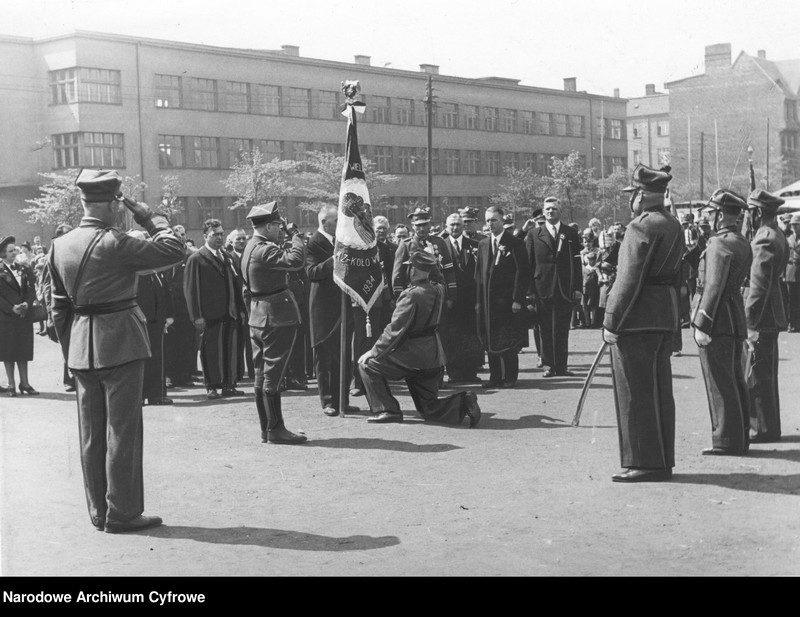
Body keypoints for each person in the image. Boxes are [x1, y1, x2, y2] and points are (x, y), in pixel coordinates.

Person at [48, 168, 184, 532]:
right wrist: (145, 213)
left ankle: (99, 511)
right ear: (113, 203)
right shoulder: (116, 242)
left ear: (82, 201)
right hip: (121, 344)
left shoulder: (61, 244)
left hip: (80, 347)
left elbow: (58, 306)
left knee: (91, 434)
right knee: (122, 431)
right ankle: (122, 513)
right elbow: (175, 248)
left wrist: (72, 348)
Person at [602, 163, 683, 483]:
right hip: (663, 315)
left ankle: (643, 462)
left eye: (633, 193)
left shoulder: (641, 226)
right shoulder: (672, 223)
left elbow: (628, 279)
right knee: (659, 391)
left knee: (634, 393)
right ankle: (661, 460)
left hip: (636, 320)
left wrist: (611, 319)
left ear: (641, 195)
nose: (630, 200)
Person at [357, 251, 482, 427]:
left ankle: (388, 410)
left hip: (410, 357)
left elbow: (395, 329)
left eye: (409, 267)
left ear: (413, 270)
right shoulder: (439, 289)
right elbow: (438, 278)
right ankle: (464, 401)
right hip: (433, 356)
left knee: (367, 366)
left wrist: (374, 351)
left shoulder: (411, 295)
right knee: (429, 408)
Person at [689, 190, 752, 455]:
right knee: (735, 379)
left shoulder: (719, 244)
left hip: (717, 319)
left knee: (720, 380)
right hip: (733, 315)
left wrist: (702, 322)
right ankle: (738, 437)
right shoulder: (740, 241)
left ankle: (726, 440)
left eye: (711, 213)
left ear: (721, 215)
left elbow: (712, 286)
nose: (707, 216)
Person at [240, 202, 307, 444]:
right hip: (275, 318)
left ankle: (267, 429)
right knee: (272, 375)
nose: (281, 229)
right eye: (278, 225)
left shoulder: (251, 247)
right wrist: (296, 236)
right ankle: (276, 428)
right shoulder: (263, 249)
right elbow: (296, 261)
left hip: (259, 317)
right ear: (268, 226)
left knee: (261, 374)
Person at [184, 219, 247, 400]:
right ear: (205, 236)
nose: (219, 237)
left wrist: (241, 309)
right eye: (215, 234)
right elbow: (191, 289)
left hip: (229, 312)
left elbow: (235, 285)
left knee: (230, 349)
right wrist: (196, 316)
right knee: (210, 351)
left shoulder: (226, 257)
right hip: (209, 315)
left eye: (221, 234)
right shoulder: (197, 258)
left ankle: (229, 384)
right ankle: (211, 385)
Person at [745, 189, 790, 443]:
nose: (748, 217)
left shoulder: (764, 238)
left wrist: (750, 321)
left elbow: (759, 285)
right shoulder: (776, 234)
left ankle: (762, 428)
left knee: (759, 373)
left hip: (763, 314)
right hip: (772, 311)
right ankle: (769, 426)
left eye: (751, 212)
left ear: (759, 212)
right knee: (766, 373)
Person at [306, 204, 357, 417]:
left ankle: (342, 400)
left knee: (343, 355)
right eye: (336, 221)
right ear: (324, 222)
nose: (339, 224)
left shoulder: (340, 242)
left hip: (342, 306)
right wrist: (333, 259)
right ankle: (327, 401)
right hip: (323, 310)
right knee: (324, 357)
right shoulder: (313, 243)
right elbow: (311, 272)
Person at [524, 197, 582, 377]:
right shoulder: (534, 234)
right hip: (542, 288)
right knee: (545, 329)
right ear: (543, 212)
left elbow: (577, 263)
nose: (550, 212)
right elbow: (528, 264)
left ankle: (562, 366)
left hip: (565, 288)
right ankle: (548, 365)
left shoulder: (570, 233)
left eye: (554, 209)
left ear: (560, 211)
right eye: (547, 209)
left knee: (563, 328)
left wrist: (578, 287)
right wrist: (529, 292)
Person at [475, 206, 530, 388]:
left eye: (494, 220)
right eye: (488, 220)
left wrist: (517, 299)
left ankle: (510, 377)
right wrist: (478, 301)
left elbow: (522, 273)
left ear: (502, 221)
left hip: (507, 302)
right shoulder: (483, 244)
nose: (491, 224)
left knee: (507, 339)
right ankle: (495, 377)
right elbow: (479, 275)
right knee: (491, 339)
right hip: (488, 302)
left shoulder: (515, 243)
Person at [132, 230, 175, 407]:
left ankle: (157, 394)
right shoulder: (132, 267)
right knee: (140, 360)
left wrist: (169, 314)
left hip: (157, 320)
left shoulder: (154, 268)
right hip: (139, 320)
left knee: (157, 358)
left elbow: (165, 292)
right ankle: (140, 395)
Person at [439, 212, 483, 383]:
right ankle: (454, 372)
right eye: (452, 225)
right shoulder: (440, 246)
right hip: (451, 300)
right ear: (446, 227)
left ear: (463, 226)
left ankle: (470, 371)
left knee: (470, 335)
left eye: (458, 224)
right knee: (451, 336)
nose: (455, 228)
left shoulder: (474, 244)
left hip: (470, 299)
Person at [392, 207, 457, 305]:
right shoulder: (406, 245)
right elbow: (398, 276)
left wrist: (451, 297)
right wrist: (400, 300)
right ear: (412, 226)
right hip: (414, 297)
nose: (422, 229)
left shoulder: (439, 242)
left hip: (437, 296)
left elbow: (449, 271)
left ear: (430, 225)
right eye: (418, 225)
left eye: (425, 224)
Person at [0, 236, 39, 396]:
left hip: (23, 316)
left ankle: (25, 383)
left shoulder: (23, 268)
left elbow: (31, 290)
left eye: (15, 250)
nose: (14, 253)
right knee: (8, 352)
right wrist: (11, 308)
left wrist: (27, 304)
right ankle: (11, 385)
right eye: (10, 251)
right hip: (6, 318)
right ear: (2, 253)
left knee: (23, 351)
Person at [786, 213, 800, 332]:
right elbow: (784, 256)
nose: (794, 227)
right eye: (793, 225)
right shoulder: (788, 240)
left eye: (796, 225)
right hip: (790, 273)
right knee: (791, 300)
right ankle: (792, 323)